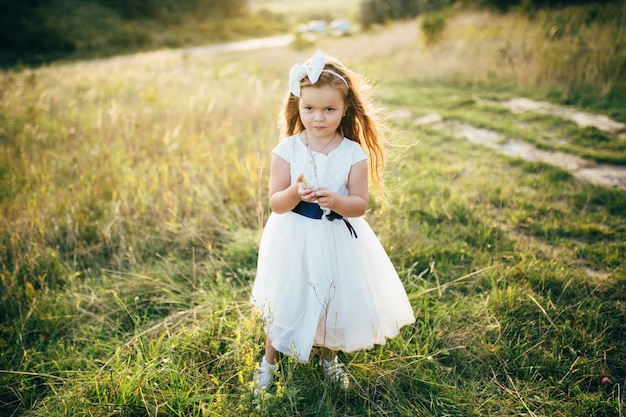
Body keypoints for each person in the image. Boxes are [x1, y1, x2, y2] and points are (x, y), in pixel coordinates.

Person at [250, 49, 415, 394]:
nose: (319, 118)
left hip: (335, 238)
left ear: (345, 109)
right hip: (293, 236)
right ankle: (269, 363)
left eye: (329, 109)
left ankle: (329, 357)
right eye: (310, 109)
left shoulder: (353, 153)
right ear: (298, 106)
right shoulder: (287, 150)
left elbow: (359, 205)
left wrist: (337, 201)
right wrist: (295, 191)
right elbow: (276, 204)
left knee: (332, 300)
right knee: (287, 298)